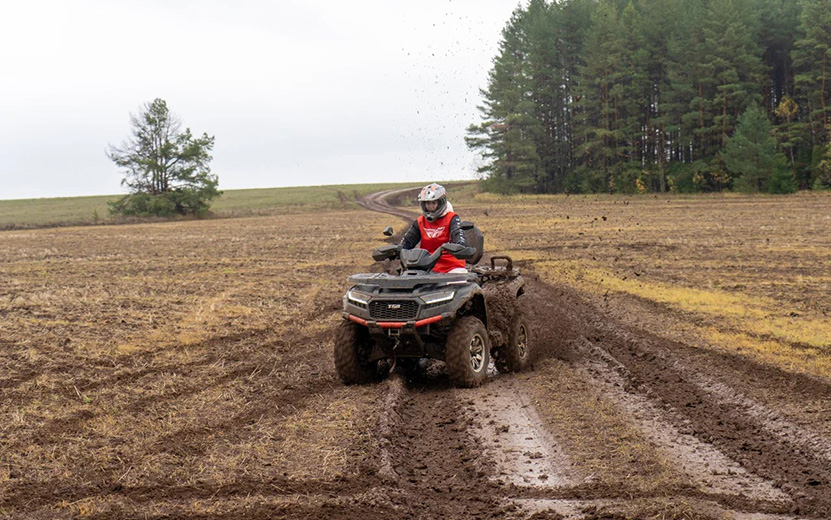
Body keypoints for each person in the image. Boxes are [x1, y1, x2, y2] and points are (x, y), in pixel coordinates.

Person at [400, 183, 468, 274]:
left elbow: (458, 233)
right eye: (428, 203)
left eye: (433, 203)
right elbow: (407, 241)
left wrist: (460, 245)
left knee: (459, 282)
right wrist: (398, 249)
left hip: (451, 266)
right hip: (425, 266)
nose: (430, 206)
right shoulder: (420, 221)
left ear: (441, 202)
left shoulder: (452, 218)